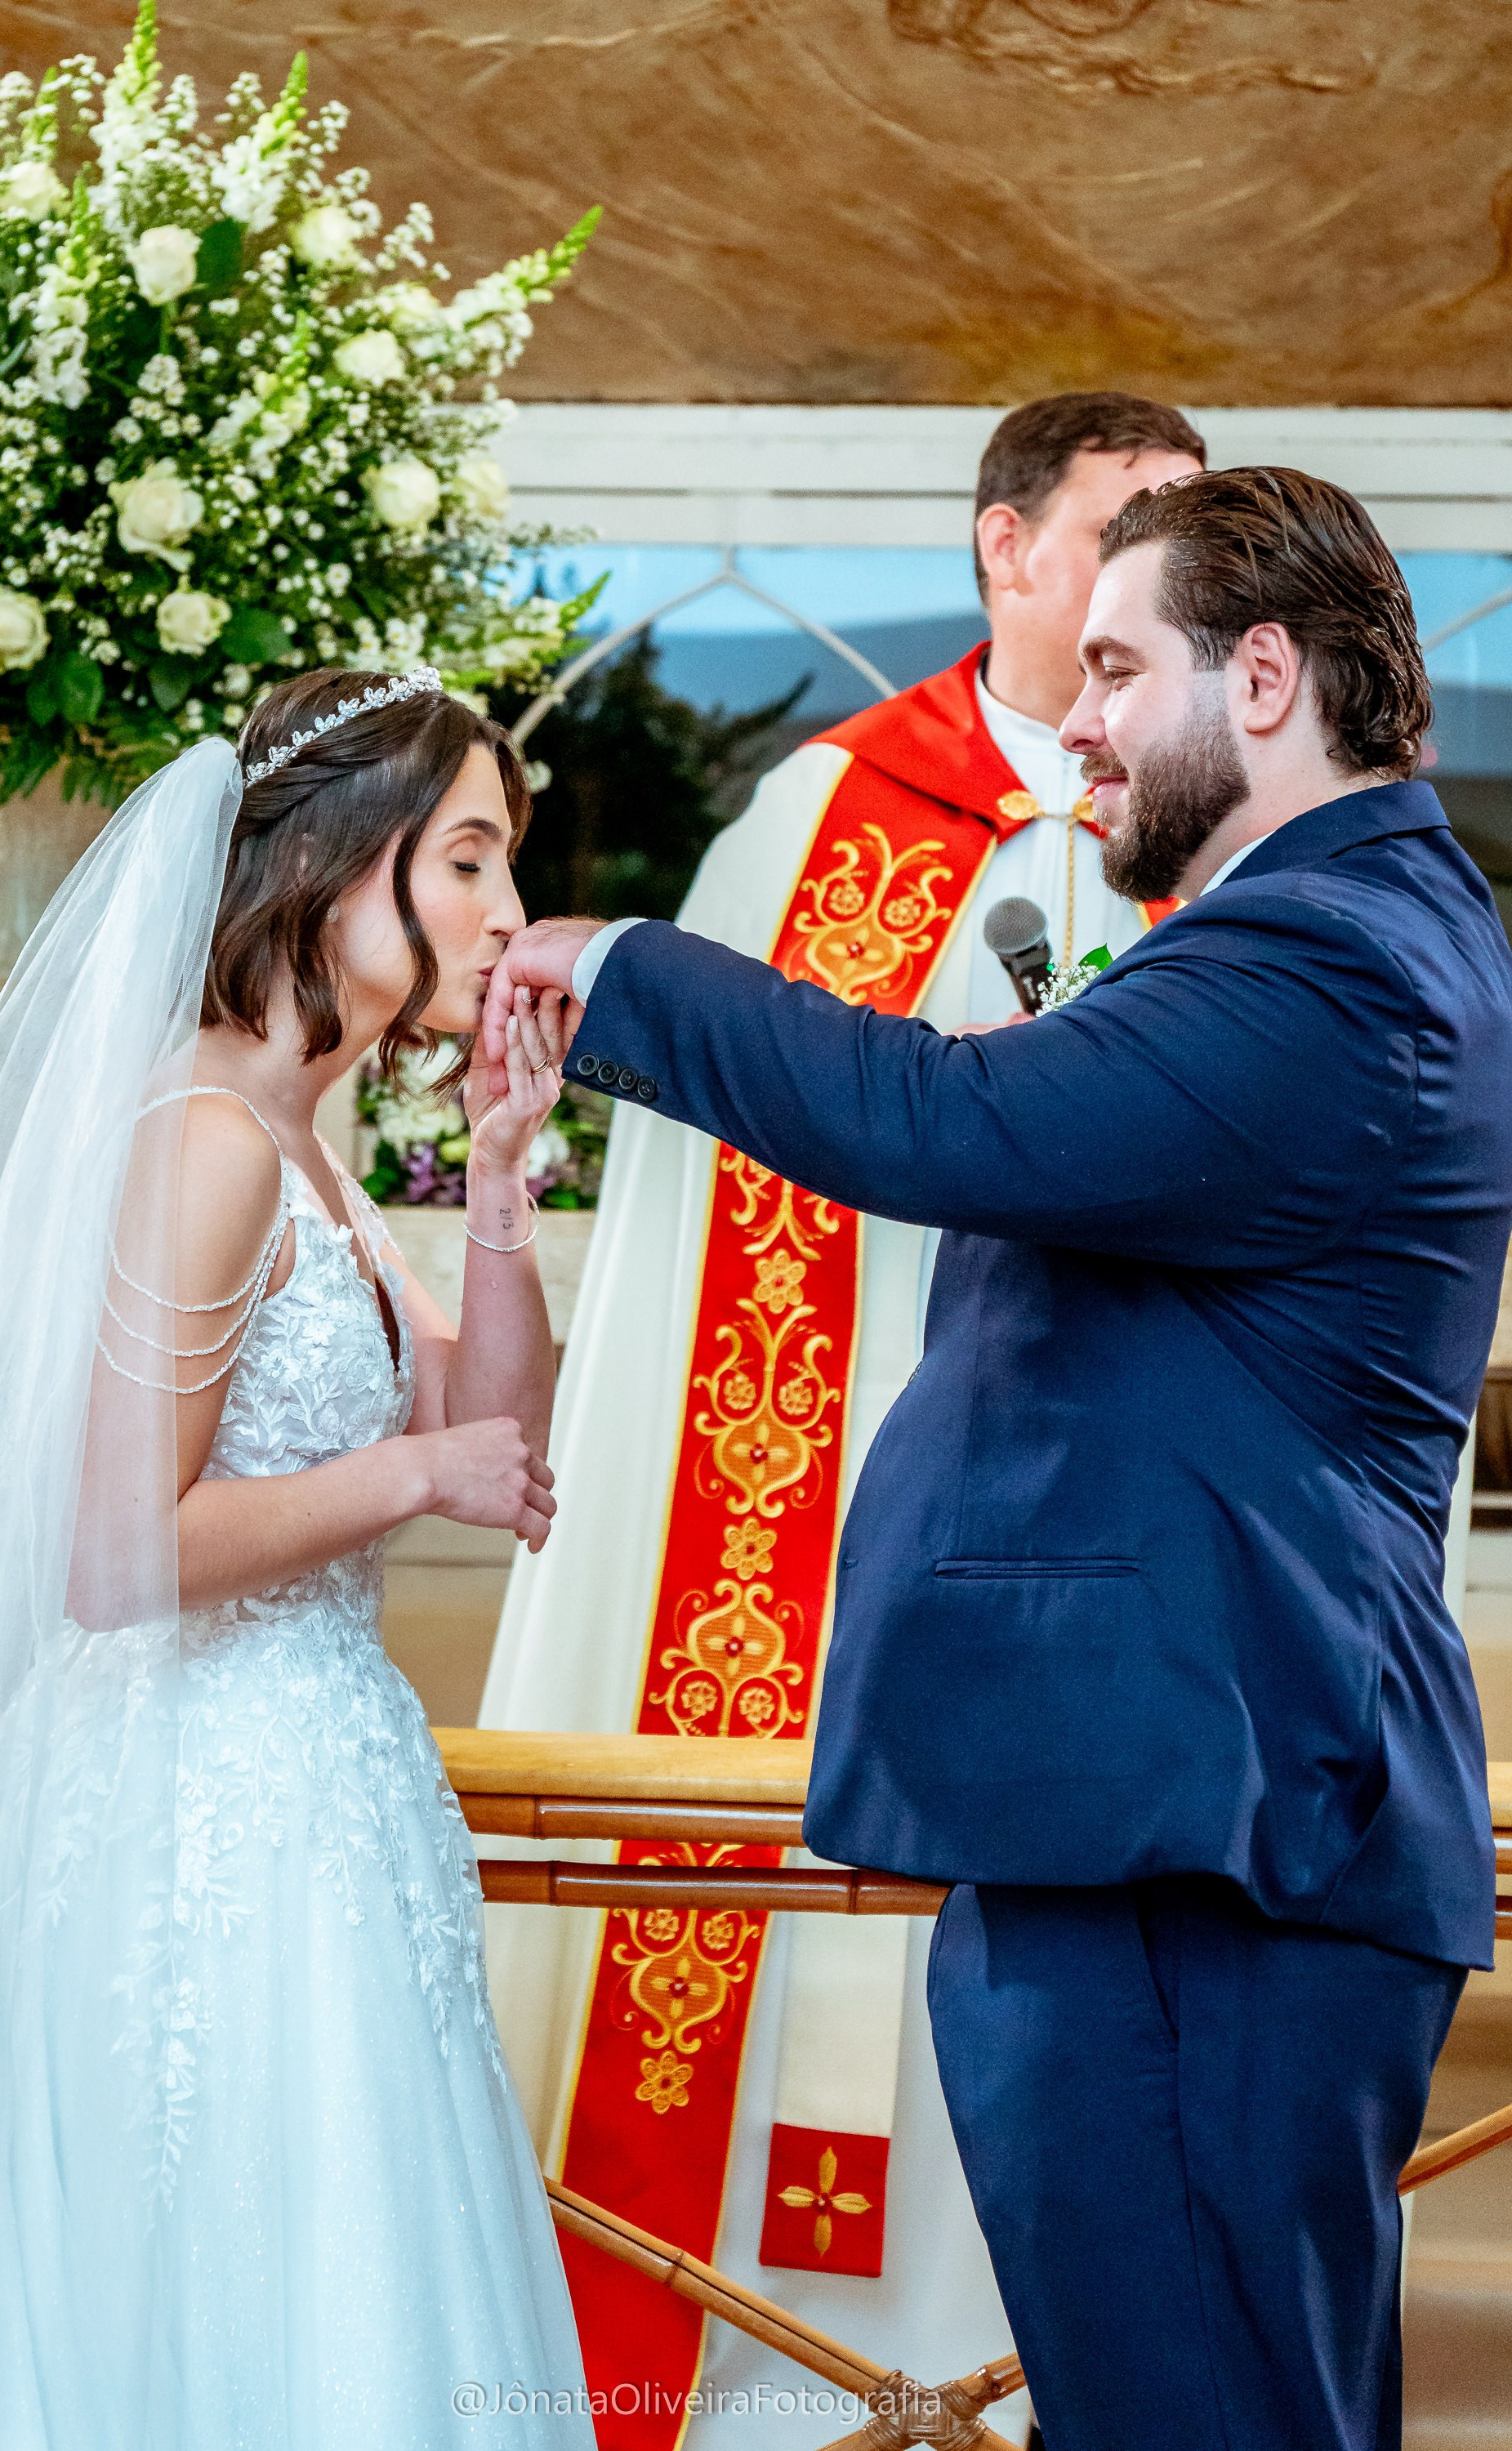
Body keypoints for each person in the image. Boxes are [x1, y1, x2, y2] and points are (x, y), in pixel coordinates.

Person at [484, 467, 1512, 2450]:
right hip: (1167, 1818)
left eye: (1121, 670)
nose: (1082, 718)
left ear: (1270, 676)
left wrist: (622, 970)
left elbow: (941, 1120)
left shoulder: (1334, 955)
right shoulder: (1351, 924)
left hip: (1202, 1833)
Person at [477, 391, 1204, 2444]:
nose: (1172, 562)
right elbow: (727, 1213)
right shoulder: (818, 821)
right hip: (802, 1549)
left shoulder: (1218, 836)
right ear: (1005, 551)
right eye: (1130, 522)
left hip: (1093, 1557)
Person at [0, 669, 591, 2448]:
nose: (507, 915)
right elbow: (117, 1552)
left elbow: (496, 1446)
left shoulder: (310, 1152)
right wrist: (413, 1465)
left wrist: (498, 1196)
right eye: (471, 862)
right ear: (342, 866)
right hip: (187, 1803)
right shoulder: (201, 1140)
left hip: (322, 1791)